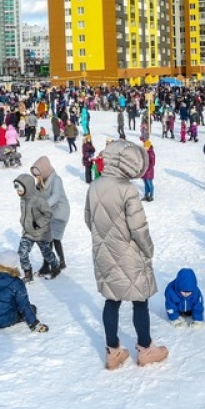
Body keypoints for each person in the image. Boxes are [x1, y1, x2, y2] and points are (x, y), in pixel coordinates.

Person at [84, 140, 167, 370]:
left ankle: (113, 352)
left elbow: (88, 219)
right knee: (140, 301)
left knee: (111, 300)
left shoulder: (95, 185)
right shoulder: (128, 189)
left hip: (103, 252)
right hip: (130, 253)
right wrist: (148, 249)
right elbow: (138, 227)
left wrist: (104, 239)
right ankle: (146, 349)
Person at [0, 249, 49, 333]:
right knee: (32, 308)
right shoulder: (16, 283)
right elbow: (24, 305)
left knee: (8, 299)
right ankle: (32, 323)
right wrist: (34, 324)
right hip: (0, 321)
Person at [14, 173, 61, 282]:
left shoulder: (38, 200)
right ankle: (27, 274)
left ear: (28, 187)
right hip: (28, 233)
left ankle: (55, 267)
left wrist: (38, 223)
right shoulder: (23, 199)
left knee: (46, 253)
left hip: (40, 233)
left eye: (20, 188)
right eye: (17, 189)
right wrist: (24, 224)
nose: (18, 191)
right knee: (22, 253)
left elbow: (48, 213)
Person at [30, 156, 70, 274]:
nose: (37, 177)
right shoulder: (42, 182)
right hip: (50, 213)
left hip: (60, 212)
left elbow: (56, 196)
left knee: (52, 238)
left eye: (39, 173)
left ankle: (48, 265)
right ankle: (60, 262)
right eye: (35, 175)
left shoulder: (56, 179)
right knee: (54, 239)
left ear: (45, 169)